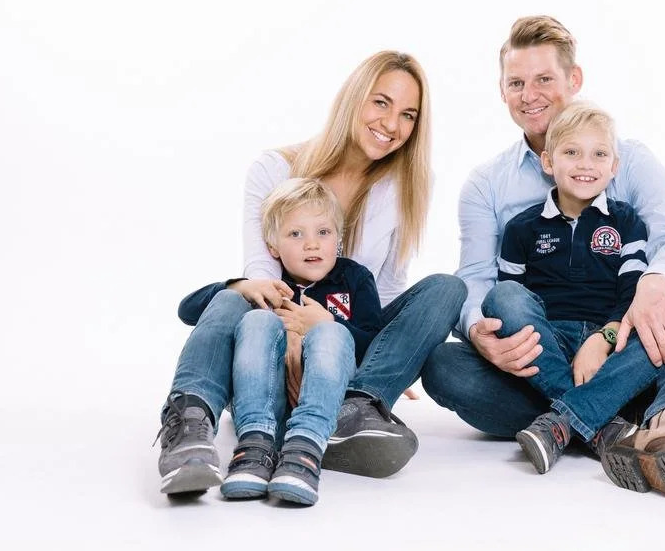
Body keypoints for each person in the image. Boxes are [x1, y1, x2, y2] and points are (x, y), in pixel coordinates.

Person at [421, 16, 665, 505]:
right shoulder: (487, 185)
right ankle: (626, 419)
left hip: (616, 338)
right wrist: (481, 333)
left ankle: (646, 424)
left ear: (574, 79)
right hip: (537, 348)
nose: (530, 95)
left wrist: (648, 291)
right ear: (502, 91)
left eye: (544, 79)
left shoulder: (629, 159)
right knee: (444, 364)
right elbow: (478, 280)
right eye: (516, 83)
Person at [155, 50, 466, 496]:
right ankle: (191, 423)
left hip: (342, 354)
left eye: (408, 114)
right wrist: (297, 333)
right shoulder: (274, 169)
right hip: (269, 351)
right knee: (234, 295)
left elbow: (387, 288)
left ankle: (357, 407)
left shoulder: (408, 183)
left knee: (446, 289)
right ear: (354, 98)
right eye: (381, 102)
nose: (392, 124)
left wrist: (386, 359)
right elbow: (262, 278)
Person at [169, 178, 382, 505]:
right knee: (257, 320)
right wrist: (240, 286)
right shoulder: (269, 285)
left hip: (325, 405)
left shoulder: (354, 278)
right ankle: (255, 445)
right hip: (264, 401)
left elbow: (373, 343)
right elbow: (188, 309)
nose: (312, 244)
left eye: (323, 232)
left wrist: (327, 322)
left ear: (338, 238)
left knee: (331, 332)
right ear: (272, 247)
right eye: (296, 234)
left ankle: (305, 447)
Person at [487, 101, 662, 475]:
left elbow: (632, 292)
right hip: (546, 343)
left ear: (614, 166)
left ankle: (562, 422)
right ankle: (601, 423)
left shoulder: (626, 221)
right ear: (548, 162)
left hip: (611, 342)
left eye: (599, 154)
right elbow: (510, 303)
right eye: (571, 152)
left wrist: (604, 338)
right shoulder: (522, 228)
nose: (586, 164)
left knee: (664, 331)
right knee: (496, 304)